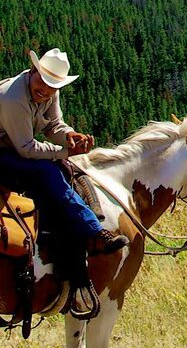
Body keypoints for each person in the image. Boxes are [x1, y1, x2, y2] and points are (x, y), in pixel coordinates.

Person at [0, 48, 128, 255]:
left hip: (12, 147)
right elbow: (26, 149)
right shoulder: (13, 98)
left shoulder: (50, 91)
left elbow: (54, 125)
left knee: (66, 168)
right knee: (47, 171)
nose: (44, 89)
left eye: (51, 86)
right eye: (41, 81)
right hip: (6, 151)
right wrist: (65, 152)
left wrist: (70, 136)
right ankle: (93, 232)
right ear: (33, 70)